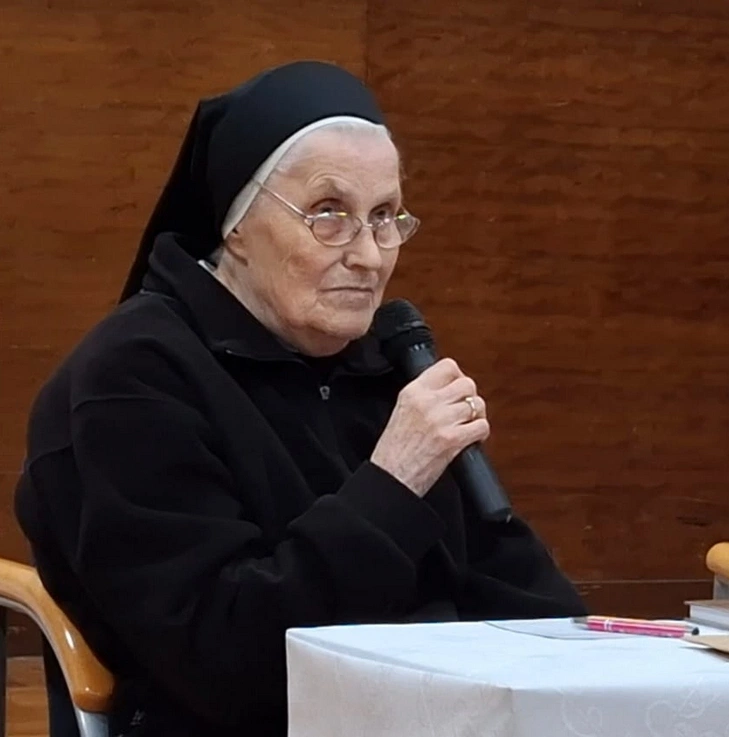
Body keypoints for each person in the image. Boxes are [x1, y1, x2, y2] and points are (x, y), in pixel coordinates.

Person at [13, 60, 586, 737]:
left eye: (385, 218)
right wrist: (393, 482)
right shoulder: (131, 379)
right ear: (235, 224)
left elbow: (526, 598)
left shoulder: (382, 364)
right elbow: (228, 663)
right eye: (329, 214)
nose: (370, 256)